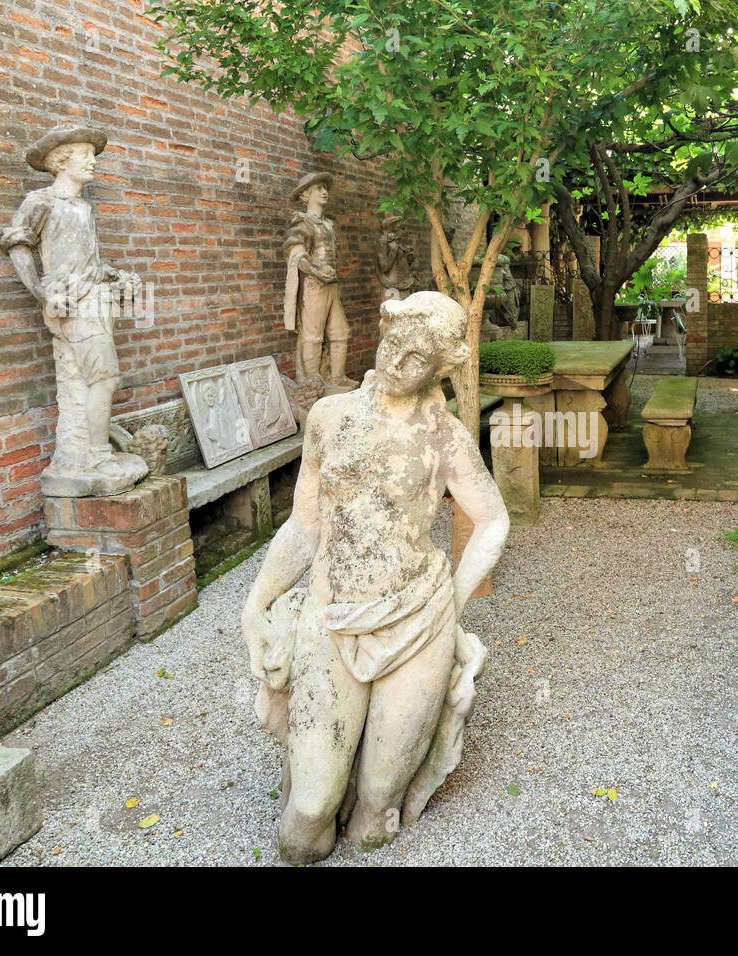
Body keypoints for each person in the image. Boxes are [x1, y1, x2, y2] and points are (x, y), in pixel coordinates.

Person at [241, 292, 509, 862]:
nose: (395, 361)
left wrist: (452, 608)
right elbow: (304, 526)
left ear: (439, 366)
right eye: (391, 344)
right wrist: (257, 603)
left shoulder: (445, 436)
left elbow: (491, 520)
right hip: (332, 616)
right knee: (307, 816)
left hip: (419, 621)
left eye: (415, 358)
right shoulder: (329, 417)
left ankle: (373, 814)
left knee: (377, 810)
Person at [0, 124, 147, 497]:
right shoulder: (42, 201)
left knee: (92, 378)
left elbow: (83, 256)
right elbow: (17, 242)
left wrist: (114, 274)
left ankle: (88, 450)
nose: (92, 162)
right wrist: (40, 293)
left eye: (92, 155)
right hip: (72, 303)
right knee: (105, 377)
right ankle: (97, 454)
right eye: (84, 155)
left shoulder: (82, 206)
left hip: (97, 299)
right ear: (61, 162)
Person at [283, 172, 357, 389]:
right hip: (314, 286)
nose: (324, 192)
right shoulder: (302, 222)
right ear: (306, 194)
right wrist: (316, 271)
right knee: (313, 335)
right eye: (319, 189)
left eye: (325, 188)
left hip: (331, 286)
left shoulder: (327, 224)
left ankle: (337, 378)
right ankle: (312, 381)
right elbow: (296, 255)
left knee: (340, 331)